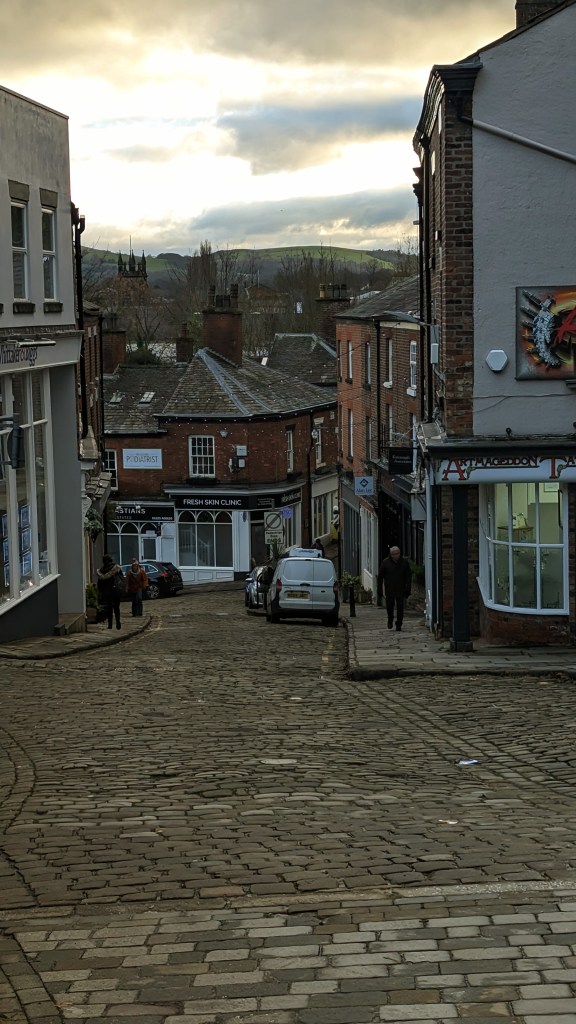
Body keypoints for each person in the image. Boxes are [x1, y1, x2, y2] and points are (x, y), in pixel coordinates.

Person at [377, 546, 412, 631]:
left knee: (400, 607)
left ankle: (399, 623)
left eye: (398, 553)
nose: (396, 555)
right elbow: (380, 577)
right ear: (391, 555)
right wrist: (379, 589)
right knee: (389, 606)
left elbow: (408, 576)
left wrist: (408, 588)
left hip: (401, 588)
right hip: (390, 588)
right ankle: (390, 619)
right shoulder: (385, 563)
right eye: (394, 554)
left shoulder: (404, 562)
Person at [96, 553, 124, 630]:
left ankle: (110, 624)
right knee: (116, 608)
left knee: (109, 608)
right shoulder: (116, 568)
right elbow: (121, 578)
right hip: (115, 591)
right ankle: (118, 622)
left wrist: (101, 592)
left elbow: (100, 583)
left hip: (107, 592)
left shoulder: (101, 571)